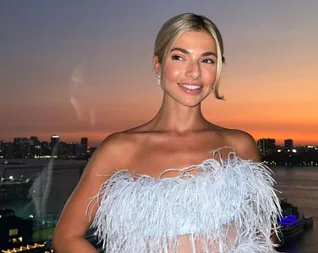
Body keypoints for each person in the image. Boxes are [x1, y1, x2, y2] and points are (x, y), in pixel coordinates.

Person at [52, 13, 282, 253]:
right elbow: (66, 238)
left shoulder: (239, 145)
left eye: (207, 60)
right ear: (158, 65)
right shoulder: (119, 148)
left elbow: (265, 233)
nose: (194, 72)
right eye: (179, 57)